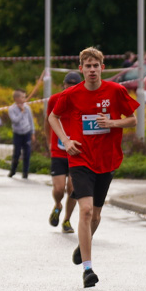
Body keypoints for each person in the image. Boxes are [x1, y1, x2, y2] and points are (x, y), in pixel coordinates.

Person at [48, 47, 140, 288]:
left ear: (102, 68)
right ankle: (88, 269)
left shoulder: (116, 91)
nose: (91, 70)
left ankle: (83, 245)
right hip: (80, 159)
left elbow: (133, 120)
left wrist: (111, 122)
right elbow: (53, 118)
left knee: (96, 216)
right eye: (87, 66)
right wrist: (66, 141)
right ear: (81, 69)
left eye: (95, 65)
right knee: (86, 210)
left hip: (106, 159)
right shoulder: (71, 94)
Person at [46, 71, 83, 233]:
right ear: (64, 85)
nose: (72, 88)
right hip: (59, 150)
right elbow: (48, 120)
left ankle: (67, 220)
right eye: (69, 85)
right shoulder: (55, 99)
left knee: (73, 189)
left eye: (75, 85)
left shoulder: (84, 101)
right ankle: (57, 205)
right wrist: (49, 141)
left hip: (76, 151)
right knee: (60, 189)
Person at [8, 89, 36, 179]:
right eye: (22, 97)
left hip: (27, 132)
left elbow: (31, 120)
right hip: (17, 133)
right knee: (17, 153)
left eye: (25, 97)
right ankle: (13, 170)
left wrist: (32, 133)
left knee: (27, 152)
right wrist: (21, 112)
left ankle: (25, 172)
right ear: (16, 98)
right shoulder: (11, 109)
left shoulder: (27, 107)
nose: (24, 99)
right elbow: (15, 121)